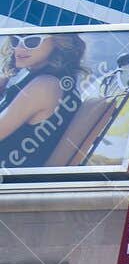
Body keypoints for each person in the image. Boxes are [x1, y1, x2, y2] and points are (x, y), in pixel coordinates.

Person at [0, 32, 86, 168]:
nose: (19, 48)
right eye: (15, 40)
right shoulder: (47, 78)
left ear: (58, 42)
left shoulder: (44, 85)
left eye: (32, 41)